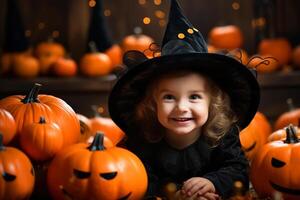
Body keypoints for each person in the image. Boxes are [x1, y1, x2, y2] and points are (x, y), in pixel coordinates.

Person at [108, 0, 260, 199]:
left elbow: (238, 170)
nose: (181, 107)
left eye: (194, 97)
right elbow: (135, 177)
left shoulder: (223, 134)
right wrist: (173, 194)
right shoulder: (142, 136)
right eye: (169, 97)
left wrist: (211, 183)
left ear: (212, 103)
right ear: (153, 104)